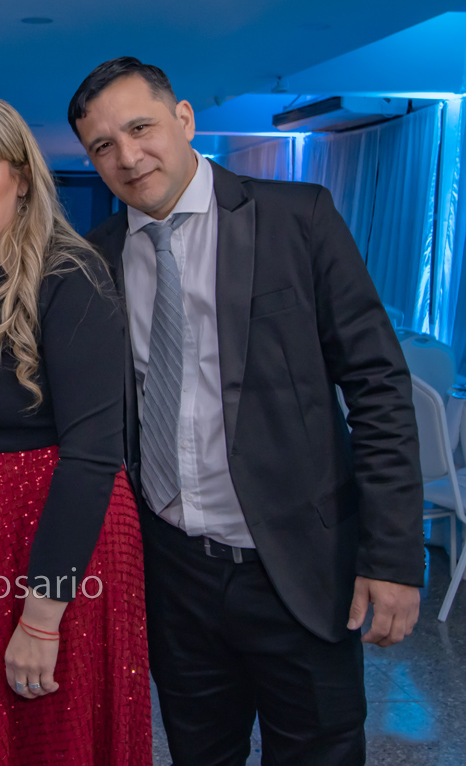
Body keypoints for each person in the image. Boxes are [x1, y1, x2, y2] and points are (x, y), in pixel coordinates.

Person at [70, 57, 425, 765]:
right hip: (173, 572)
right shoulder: (94, 258)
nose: (127, 157)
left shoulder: (298, 217)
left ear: (184, 119)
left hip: (296, 566)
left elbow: (379, 386)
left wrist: (392, 557)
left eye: (140, 128)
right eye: (103, 146)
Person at [0, 92, 152, 766]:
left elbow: (93, 456)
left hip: (55, 549)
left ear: (21, 177)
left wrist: (42, 616)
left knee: (51, 742)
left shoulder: (68, 273)